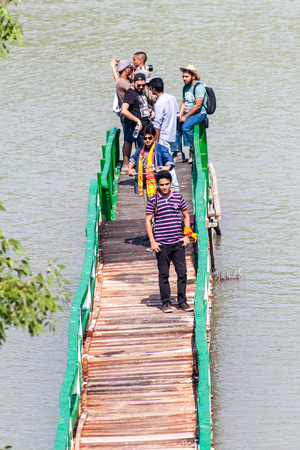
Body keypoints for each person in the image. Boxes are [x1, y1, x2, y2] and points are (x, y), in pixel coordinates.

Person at [145, 170, 197, 313]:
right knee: (164, 275)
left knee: (182, 273)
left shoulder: (178, 198)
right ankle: (166, 303)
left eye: (167, 184)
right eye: (161, 185)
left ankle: (182, 302)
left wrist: (187, 235)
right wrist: (152, 241)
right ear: (157, 184)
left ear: (171, 183)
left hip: (178, 243)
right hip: (161, 244)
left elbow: (186, 216)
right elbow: (148, 221)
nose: (164, 187)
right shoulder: (153, 200)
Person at [128, 125, 174, 204]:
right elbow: (133, 159)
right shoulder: (140, 150)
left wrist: (167, 168)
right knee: (149, 207)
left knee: (159, 206)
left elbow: (169, 160)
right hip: (145, 184)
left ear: (154, 138)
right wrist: (129, 168)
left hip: (158, 184)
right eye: (145, 138)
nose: (147, 140)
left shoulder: (160, 148)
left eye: (150, 138)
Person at [149, 77, 180, 191]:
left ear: (153, 89)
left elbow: (157, 125)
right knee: (168, 159)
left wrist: (156, 141)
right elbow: (177, 115)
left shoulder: (158, 103)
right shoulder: (172, 98)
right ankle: (169, 185)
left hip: (163, 136)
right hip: (172, 135)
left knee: (166, 162)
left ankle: (174, 186)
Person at [173, 64, 207, 164]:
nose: (184, 79)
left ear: (193, 76)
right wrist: (179, 115)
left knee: (185, 127)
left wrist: (186, 117)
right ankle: (178, 153)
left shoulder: (199, 87)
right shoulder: (185, 88)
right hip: (188, 114)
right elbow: (183, 103)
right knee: (176, 125)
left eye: (186, 76)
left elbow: (198, 106)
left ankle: (192, 151)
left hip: (199, 114)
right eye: (183, 76)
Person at [121, 72, 151, 169]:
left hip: (146, 125)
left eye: (143, 85)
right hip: (137, 126)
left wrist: (151, 111)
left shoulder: (140, 92)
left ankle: (145, 169)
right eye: (139, 85)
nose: (141, 87)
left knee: (147, 150)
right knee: (142, 149)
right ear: (133, 82)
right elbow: (124, 110)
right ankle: (132, 167)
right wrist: (137, 120)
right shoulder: (130, 93)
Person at [110, 59, 135, 172]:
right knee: (128, 139)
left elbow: (117, 79)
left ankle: (128, 162)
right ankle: (125, 164)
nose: (132, 69)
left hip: (127, 114)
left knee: (129, 138)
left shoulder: (121, 80)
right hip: (127, 115)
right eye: (130, 67)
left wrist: (113, 67)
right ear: (126, 69)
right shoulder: (123, 83)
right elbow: (134, 91)